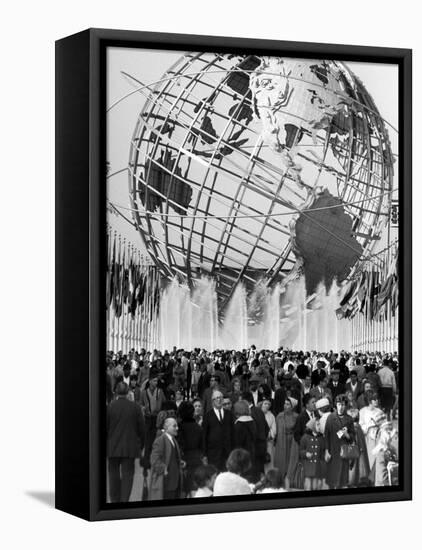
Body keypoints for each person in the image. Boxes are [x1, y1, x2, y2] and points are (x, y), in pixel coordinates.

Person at [107, 382, 145, 503]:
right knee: (128, 475)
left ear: (116, 392)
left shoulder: (110, 407)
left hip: (112, 447)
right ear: (128, 391)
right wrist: (141, 445)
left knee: (113, 475)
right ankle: (124, 501)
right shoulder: (135, 407)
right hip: (130, 447)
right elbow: (142, 429)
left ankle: (114, 500)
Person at [149, 417, 185, 500]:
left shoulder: (173, 440)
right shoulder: (160, 440)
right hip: (166, 483)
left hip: (175, 482)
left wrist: (180, 462)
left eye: (177, 426)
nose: (177, 428)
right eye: (174, 426)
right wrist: (163, 469)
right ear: (166, 427)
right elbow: (154, 459)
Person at [325, 394, 356, 489]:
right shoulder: (330, 417)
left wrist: (347, 435)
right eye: (339, 404)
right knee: (332, 478)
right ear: (335, 405)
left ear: (345, 405)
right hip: (333, 451)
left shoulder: (349, 419)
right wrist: (326, 450)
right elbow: (326, 435)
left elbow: (352, 437)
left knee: (341, 479)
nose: (341, 407)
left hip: (343, 452)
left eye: (343, 404)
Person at [202, 389, 233, 471]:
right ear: (212, 401)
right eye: (216, 398)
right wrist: (204, 454)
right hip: (213, 454)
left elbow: (233, 433)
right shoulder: (208, 416)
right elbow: (204, 435)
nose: (219, 400)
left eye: (220, 398)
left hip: (228, 452)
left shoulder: (229, 414)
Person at [139, 372, 165, 469]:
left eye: (157, 381)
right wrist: (143, 408)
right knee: (148, 441)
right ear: (149, 381)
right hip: (148, 418)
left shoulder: (160, 391)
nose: (156, 383)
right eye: (154, 381)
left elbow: (164, 403)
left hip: (157, 419)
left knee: (157, 440)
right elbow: (140, 404)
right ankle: (146, 462)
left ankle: (156, 462)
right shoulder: (144, 393)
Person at [178, 401, 203, 495]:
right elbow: (202, 446)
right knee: (194, 491)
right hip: (196, 461)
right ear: (192, 412)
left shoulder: (178, 428)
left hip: (182, 462)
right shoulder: (198, 428)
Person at [273, 397, 300, 489]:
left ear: (292, 407)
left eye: (288, 404)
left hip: (292, 443)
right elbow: (275, 430)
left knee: (290, 462)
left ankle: (289, 483)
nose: (285, 406)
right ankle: (279, 483)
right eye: (285, 404)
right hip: (281, 442)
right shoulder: (279, 416)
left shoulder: (296, 417)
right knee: (281, 462)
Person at [242, 391, 269, 480]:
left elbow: (253, 431)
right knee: (260, 470)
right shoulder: (259, 411)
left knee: (253, 473)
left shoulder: (249, 413)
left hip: (254, 447)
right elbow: (266, 428)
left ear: (246, 401)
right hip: (262, 445)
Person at [359, 390, 383, 469]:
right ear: (369, 400)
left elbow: (385, 426)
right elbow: (361, 426)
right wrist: (370, 425)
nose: (377, 400)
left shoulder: (380, 412)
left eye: (377, 398)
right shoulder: (362, 411)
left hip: (378, 438)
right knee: (368, 459)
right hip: (367, 438)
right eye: (374, 399)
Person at [299, 418, 325, 491]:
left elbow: (323, 452)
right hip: (308, 466)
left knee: (316, 486)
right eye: (317, 424)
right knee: (308, 486)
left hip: (318, 467)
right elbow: (300, 451)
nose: (320, 426)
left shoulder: (321, 438)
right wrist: (305, 453)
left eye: (319, 424)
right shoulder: (305, 437)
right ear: (312, 426)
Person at [233, 400, 257, 470]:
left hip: (241, 455)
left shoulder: (238, 424)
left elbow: (237, 442)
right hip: (252, 452)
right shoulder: (252, 421)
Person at [260, 397, 277, 470]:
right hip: (259, 442)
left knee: (268, 461)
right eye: (265, 403)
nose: (266, 405)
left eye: (268, 404)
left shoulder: (271, 416)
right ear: (261, 404)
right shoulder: (257, 414)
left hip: (268, 442)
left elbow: (274, 430)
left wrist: (269, 435)